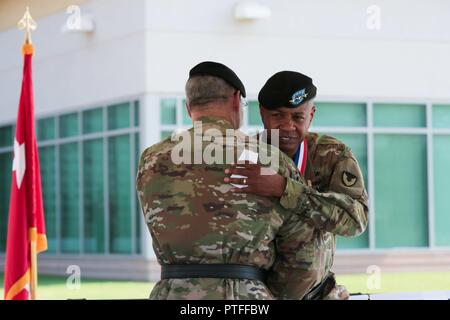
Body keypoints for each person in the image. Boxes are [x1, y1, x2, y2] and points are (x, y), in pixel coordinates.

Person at [136, 62, 315, 300]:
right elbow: (303, 255)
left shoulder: (151, 158)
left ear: (189, 108)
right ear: (235, 99)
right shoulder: (271, 158)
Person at [225, 71, 369, 299]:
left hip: (315, 292)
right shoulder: (244, 155)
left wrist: (285, 189)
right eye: (277, 115)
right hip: (255, 293)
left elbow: (355, 221)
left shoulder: (331, 154)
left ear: (311, 115)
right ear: (262, 113)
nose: (287, 126)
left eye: (298, 117)